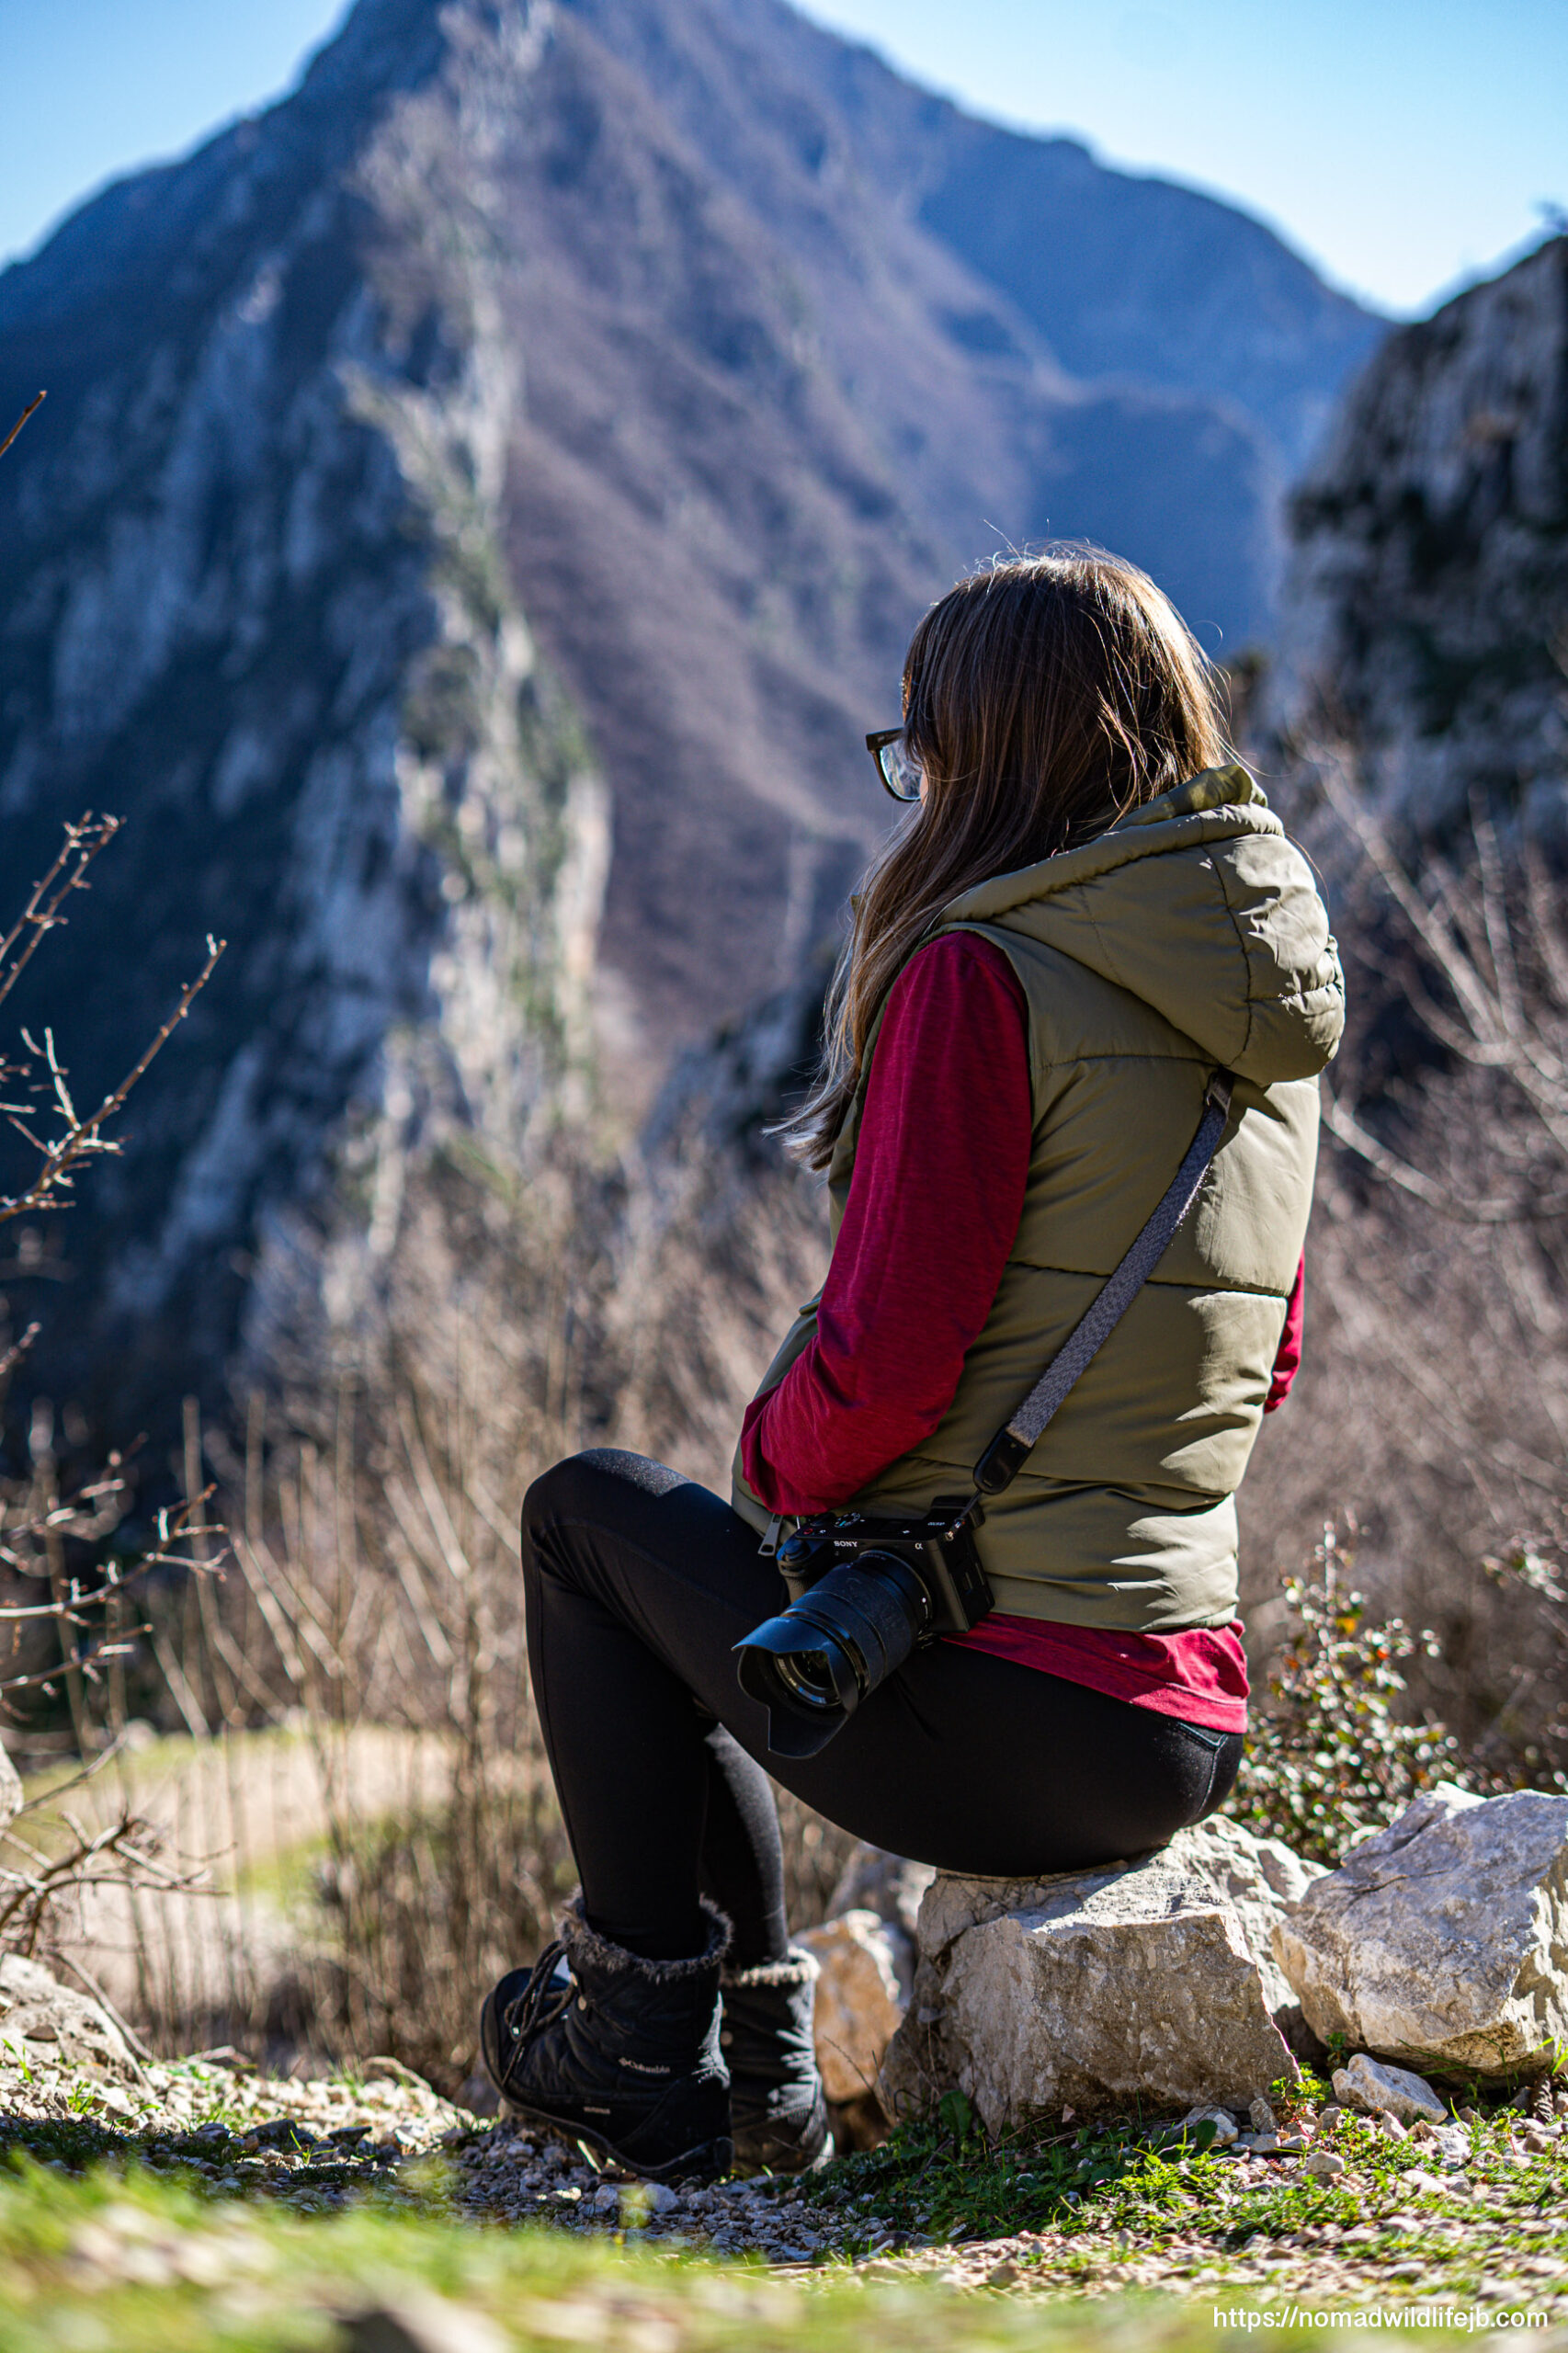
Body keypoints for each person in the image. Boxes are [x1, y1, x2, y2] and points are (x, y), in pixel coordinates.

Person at [478, 548, 1345, 2185]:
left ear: (983, 755)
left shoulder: (980, 975)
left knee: (589, 1519)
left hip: (1011, 1718)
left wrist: (772, 1469)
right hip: (1181, 1712)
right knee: (712, 1600)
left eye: (920, 749)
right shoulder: (1262, 1019)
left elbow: (880, 1380)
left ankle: (632, 2038)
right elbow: (1267, 1357)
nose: (912, 788)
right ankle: (756, 2090)